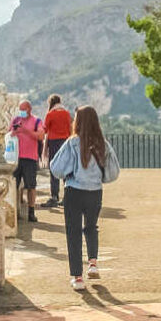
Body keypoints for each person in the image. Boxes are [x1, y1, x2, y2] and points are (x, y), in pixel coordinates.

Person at [49, 106, 121, 291]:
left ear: (78, 121)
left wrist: (71, 172)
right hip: (95, 192)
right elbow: (113, 172)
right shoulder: (103, 144)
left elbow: (56, 168)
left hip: (74, 191)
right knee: (91, 227)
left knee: (73, 233)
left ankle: (78, 278)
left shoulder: (72, 143)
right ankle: (93, 263)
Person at [10, 100, 47, 221]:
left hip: (30, 158)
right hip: (15, 158)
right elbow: (8, 135)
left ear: (29, 109)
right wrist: (14, 132)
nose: (21, 112)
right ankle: (14, 212)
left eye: (23, 109)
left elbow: (41, 136)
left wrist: (25, 130)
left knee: (31, 186)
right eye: (20, 109)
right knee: (14, 186)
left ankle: (31, 212)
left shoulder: (36, 121)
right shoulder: (15, 120)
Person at [42, 95, 73, 209]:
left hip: (54, 143)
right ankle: (67, 197)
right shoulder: (67, 113)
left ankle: (54, 197)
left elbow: (45, 129)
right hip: (65, 142)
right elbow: (71, 128)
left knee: (54, 169)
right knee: (66, 169)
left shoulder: (50, 114)